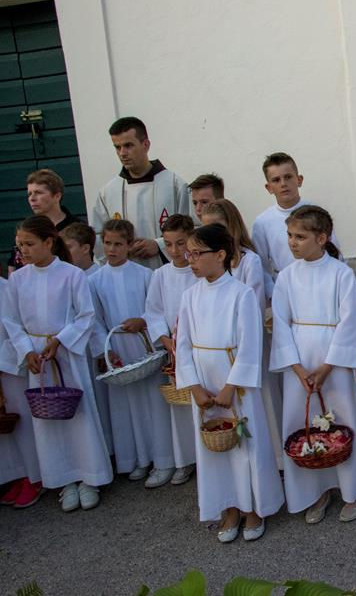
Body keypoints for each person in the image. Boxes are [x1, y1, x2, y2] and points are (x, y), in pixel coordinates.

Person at [270, 205, 356, 524]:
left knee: (345, 419)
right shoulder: (286, 276)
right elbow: (280, 323)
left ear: (321, 238)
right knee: (304, 424)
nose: (292, 242)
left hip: (334, 363)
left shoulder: (340, 273)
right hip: (299, 362)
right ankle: (316, 491)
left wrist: (327, 367)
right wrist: (296, 368)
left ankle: (355, 489)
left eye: (300, 236)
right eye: (290, 235)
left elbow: (350, 321)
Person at [175, 223, 284, 543]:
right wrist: (194, 387)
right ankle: (229, 507)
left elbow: (250, 345)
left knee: (245, 443)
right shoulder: (189, 296)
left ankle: (254, 508)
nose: (191, 260)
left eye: (197, 253)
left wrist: (229, 387)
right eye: (188, 254)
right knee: (214, 449)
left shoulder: (241, 294)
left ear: (221, 254)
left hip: (234, 384)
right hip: (203, 382)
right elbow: (183, 345)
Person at [2, 216, 112, 511]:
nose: (23, 251)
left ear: (49, 242)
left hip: (66, 353)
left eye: (29, 244)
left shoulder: (71, 274)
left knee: (79, 414)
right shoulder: (18, 279)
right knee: (47, 418)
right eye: (19, 245)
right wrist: (26, 350)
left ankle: (89, 477)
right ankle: (64, 479)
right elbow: (11, 321)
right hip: (37, 357)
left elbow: (86, 315)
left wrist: (61, 340)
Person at [89, 220, 175, 488]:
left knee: (152, 404)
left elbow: (156, 309)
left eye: (118, 244)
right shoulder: (95, 280)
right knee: (126, 407)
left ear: (129, 245)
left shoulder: (145, 275)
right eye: (107, 243)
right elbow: (96, 320)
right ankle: (137, 458)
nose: (112, 249)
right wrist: (105, 350)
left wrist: (143, 321)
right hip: (117, 349)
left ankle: (163, 460)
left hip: (144, 345)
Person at [200, 199, 283, 466]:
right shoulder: (208, 263)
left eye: (218, 227)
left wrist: (235, 337)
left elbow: (255, 306)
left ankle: (272, 460)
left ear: (232, 226)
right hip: (221, 348)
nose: (213, 234)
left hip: (247, 343)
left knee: (259, 403)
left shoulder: (248, 260)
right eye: (206, 228)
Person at [143, 214, 198, 486]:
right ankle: (185, 459)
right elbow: (153, 312)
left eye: (181, 243)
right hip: (174, 351)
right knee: (180, 408)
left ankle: (208, 453)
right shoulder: (160, 275)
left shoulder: (199, 271)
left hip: (199, 347)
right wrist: (166, 340)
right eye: (168, 244)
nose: (175, 251)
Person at [92, 116, 191, 269]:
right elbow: (98, 236)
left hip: (168, 272)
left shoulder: (175, 185)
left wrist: (159, 245)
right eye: (117, 147)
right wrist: (122, 249)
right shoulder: (108, 192)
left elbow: (192, 228)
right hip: (126, 273)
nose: (122, 153)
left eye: (128, 145)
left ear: (146, 145)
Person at [252, 152, 339, 296]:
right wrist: (272, 293)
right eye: (276, 180)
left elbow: (334, 250)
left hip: (322, 284)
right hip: (285, 290)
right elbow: (261, 265)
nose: (283, 184)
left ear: (299, 180)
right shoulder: (262, 222)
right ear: (269, 187)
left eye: (288, 177)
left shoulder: (317, 213)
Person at [60, 222, 113, 455]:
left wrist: (102, 350)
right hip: (77, 348)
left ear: (86, 248)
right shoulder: (66, 277)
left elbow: (97, 318)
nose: (64, 252)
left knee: (103, 401)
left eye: (69, 246)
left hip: (99, 348)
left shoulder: (99, 277)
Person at [0, 275, 43, 508]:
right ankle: (14, 475)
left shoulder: (5, 288)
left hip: (8, 364)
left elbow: (14, 327)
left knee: (21, 421)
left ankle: (33, 476)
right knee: (6, 430)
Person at [7, 169, 79, 274]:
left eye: (38, 193)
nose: (32, 198)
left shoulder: (77, 227)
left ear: (57, 196)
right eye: (29, 194)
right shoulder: (26, 230)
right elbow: (13, 268)